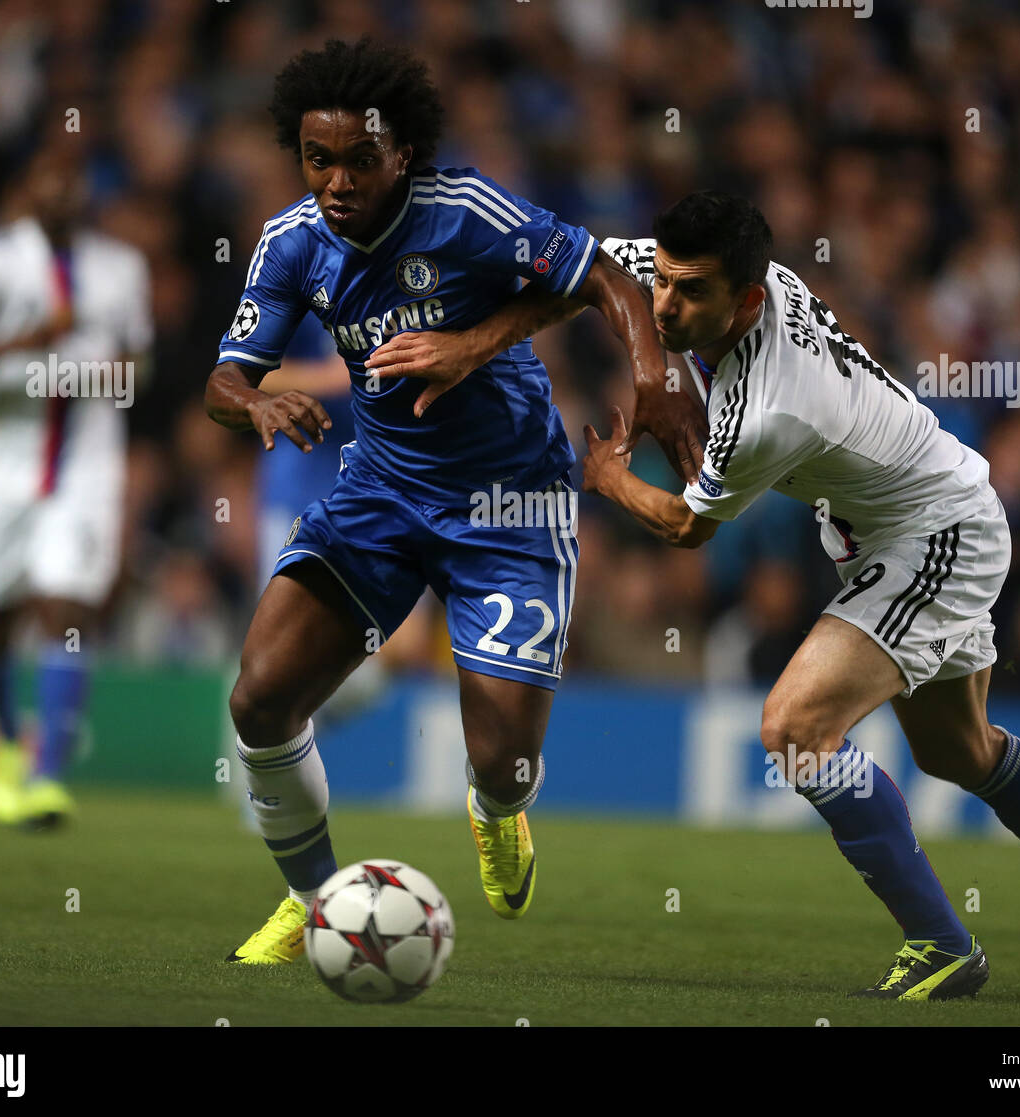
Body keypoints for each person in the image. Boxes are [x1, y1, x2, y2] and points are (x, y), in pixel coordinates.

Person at [386, 191, 1020, 1001]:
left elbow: (690, 529)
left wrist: (611, 479)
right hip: (918, 513)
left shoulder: (769, 409)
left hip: (936, 537)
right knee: (958, 750)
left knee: (795, 727)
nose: (664, 303)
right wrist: (472, 344)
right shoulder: (736, 282)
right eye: (662, 280)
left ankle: (942, 944)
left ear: (748, 300)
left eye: (689, 292)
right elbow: (587, 272)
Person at [204, 39, 699, 963]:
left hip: (509, 505)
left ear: (403, 153)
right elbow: (222, 382)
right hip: (383, 493)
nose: (339, 179)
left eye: (360, 159)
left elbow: (608, 279)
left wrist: (654, 377)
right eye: (319, 160)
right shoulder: (291, 242)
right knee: (261, 700)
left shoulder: (465, 212)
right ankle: (317, 901)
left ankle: (500, 808)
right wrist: (258, 399)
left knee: (502, 755)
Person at [0, 141, 152, 828]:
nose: (61, 192)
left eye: (72, 181)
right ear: (26, 187)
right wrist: (22, 344)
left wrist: (109, 375)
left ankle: (47, 772)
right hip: (1, 464)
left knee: (66, 605)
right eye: (49, 178)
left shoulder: (121, 267)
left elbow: (140, 363)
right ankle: (5, 746)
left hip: (87, 466)